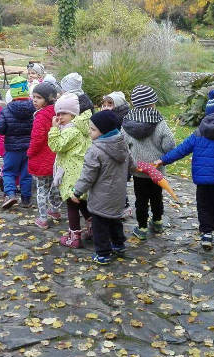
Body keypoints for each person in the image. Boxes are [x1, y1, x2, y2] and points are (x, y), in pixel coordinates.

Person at [157, 90, 214, 250]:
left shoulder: (198, 133)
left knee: (203, 206)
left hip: (203, 180)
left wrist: (163, 159)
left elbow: (182, 149)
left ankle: (206, 234)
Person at [71, 111, 136, 265]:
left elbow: (88, 176)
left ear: (104, 131)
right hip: (118, 196)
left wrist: (78, 191)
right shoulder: (123, 145)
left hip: (101, 198)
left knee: (100, 227)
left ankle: (103, 254)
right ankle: (119, 245)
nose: (89, 131)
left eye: (93, 129)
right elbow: (132, 166)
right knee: (115, 221)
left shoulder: (95, 151)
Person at [122, 85, 176, 239]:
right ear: (152, 103)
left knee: (141, 199)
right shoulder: (159, 122)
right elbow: (169, 144)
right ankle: (158, 221)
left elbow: (122, 143)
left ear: (134, 103)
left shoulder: (127, 122)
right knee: (156, 196)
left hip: (138, 170)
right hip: (156, 170)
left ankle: (142, 228)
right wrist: (164, 155)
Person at [48, 93, 92, 248]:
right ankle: (93, 227)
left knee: (71, 203)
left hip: (72, 175)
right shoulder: (81, 127)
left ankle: (74, 236)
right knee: (81, 202)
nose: (60, 117)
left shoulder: (71, 130)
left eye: (64, 113)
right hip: (81, 172)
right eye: (58, 114)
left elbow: (56, 146)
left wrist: (54, 129)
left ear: (74, 114)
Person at [0, 76, 35, 209]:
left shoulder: (6, 110)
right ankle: (26, 199)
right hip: (29, 147)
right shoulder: (33, 109)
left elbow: (0, 128)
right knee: (26, 173)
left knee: (9, 171)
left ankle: (11, 194)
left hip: (12, 148)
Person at [27, 82, 61, 229]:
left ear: (48, 99)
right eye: (33, 97)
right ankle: (54, 210)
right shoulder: (58, 112)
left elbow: (37, 138)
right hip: (55, 156)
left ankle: (42, 218)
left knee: (42, 189)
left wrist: (30, 152)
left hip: (42, 157)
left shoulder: (41, 116)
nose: (35, 100)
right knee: (55, 185)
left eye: (39, 97)